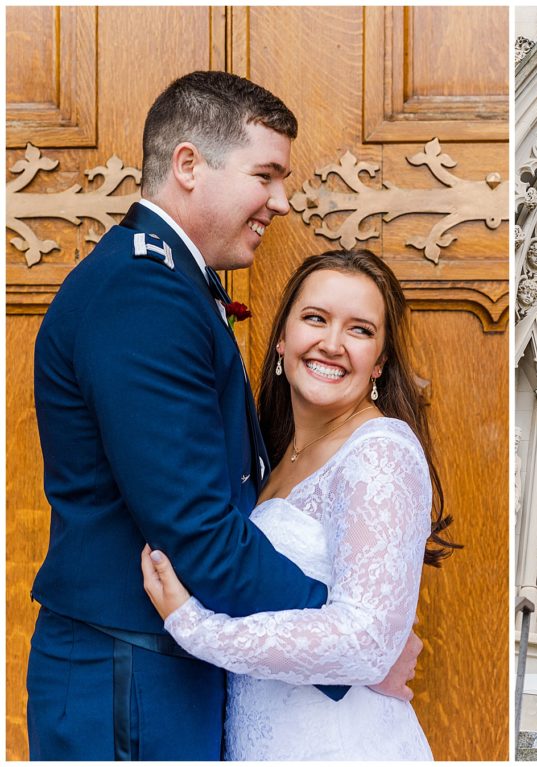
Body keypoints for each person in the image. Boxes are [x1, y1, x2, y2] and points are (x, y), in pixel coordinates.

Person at [27, 71, 416, 761]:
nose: (282, 201)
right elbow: (199, 530)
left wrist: (359, 641)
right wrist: (356, 646)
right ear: (188, 165)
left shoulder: (168, 283)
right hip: (130, 671)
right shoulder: (143, 297)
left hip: (166, 664)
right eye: (265, 175)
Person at [142, 250, 456, 760]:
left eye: (359, 330)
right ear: (283, 340)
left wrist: (197, 629)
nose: (331, 345)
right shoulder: (267, 454)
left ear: (380, 361)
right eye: (315, 319)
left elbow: (366, 640)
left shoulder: (381, 450)